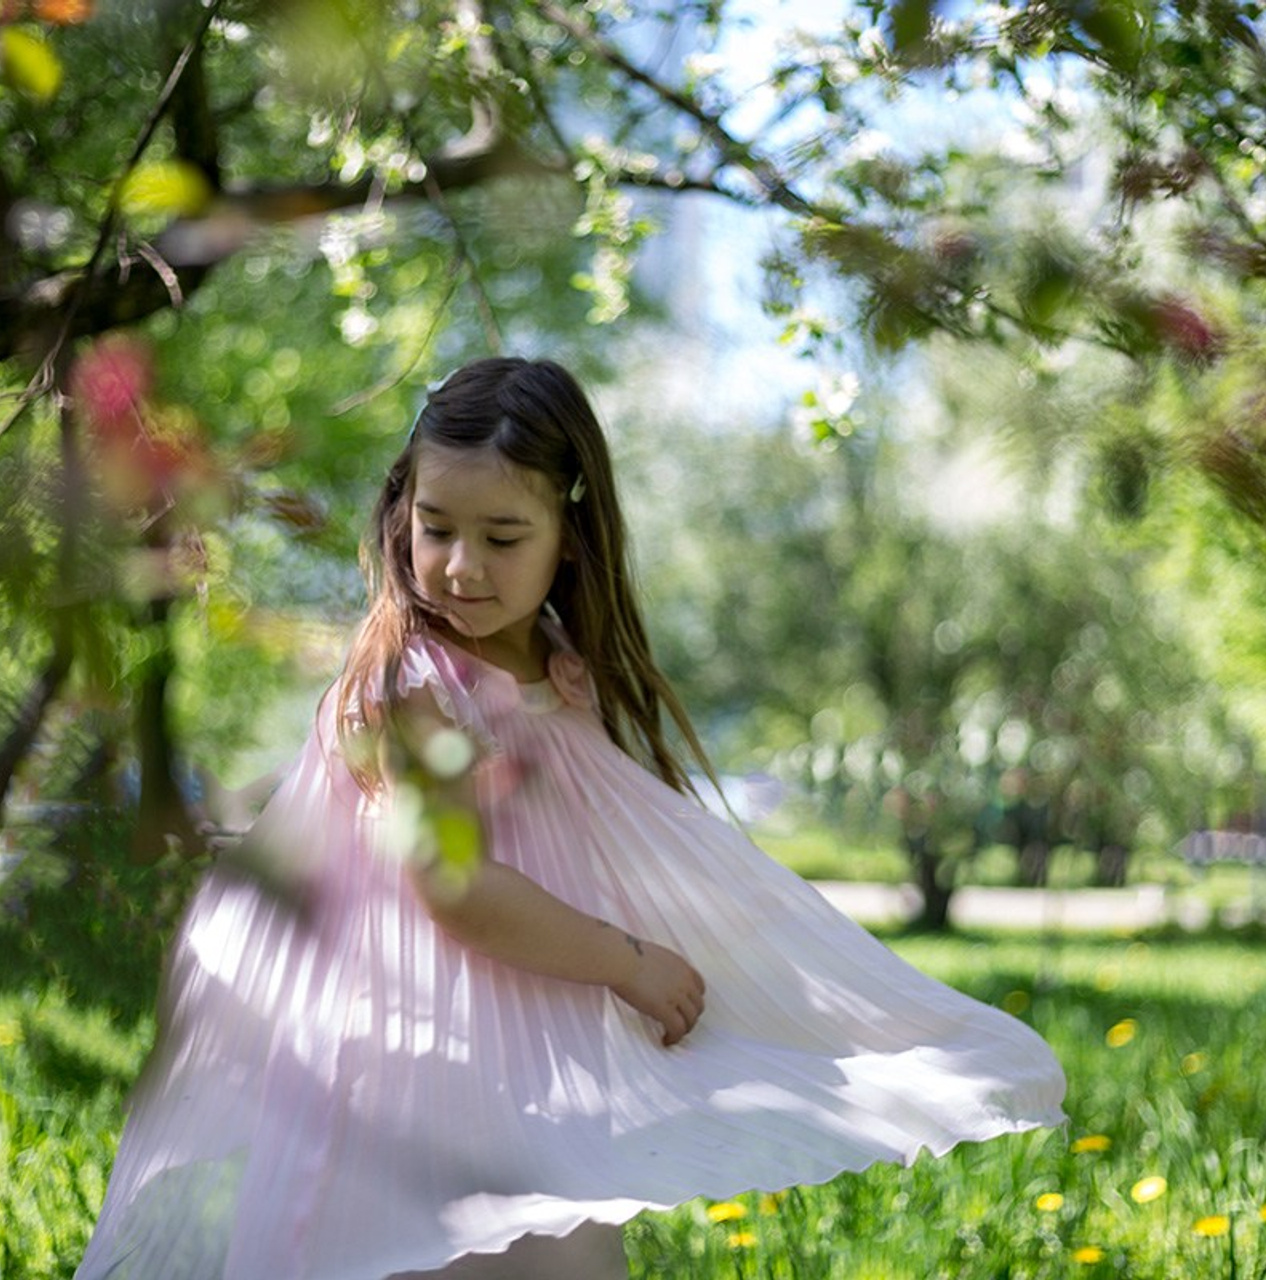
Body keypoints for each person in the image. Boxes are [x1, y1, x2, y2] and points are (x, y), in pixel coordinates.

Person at [77, 357, 1066, 1280]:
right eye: (435, 526)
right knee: (440, 1247)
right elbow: (453, 889)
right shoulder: (414, 685)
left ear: (570, 536)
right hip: (419, 1050)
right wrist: (628, 962)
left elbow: (609, 830)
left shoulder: (550, 661)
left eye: (502, 537)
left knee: (563, 1241)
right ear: (400, 513)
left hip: (535, 1046)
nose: (460, 566)